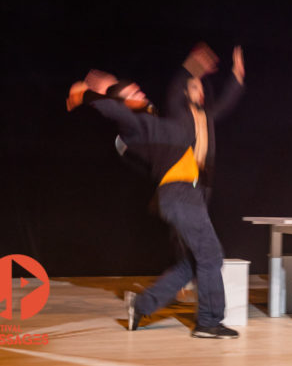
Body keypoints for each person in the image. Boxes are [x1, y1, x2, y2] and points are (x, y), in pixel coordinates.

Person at [66, 69, 240, 339]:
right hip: (180, 193)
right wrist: (87, 94)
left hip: (186, 194)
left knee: (191, 263)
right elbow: (115, 109)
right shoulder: (134, 125)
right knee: (211, 255)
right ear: (122, 103)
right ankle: (208, 322)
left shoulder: (155, 121)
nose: (140, 91)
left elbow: (184, 104)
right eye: (132, 93)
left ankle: (143, 305)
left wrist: (113, 86)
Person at [164, 42, 245, 302]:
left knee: (200, 230)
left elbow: (226, 102)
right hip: (182, 179)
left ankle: (198, 277)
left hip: (204, 181)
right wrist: (192, 66)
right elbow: (177, 87)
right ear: (186, 92)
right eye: (194, 87)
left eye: (200, 88)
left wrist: (236, 77)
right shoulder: (179, 113)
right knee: (180, 231)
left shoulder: (207, 114)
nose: (198, 92)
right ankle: (182, 276)